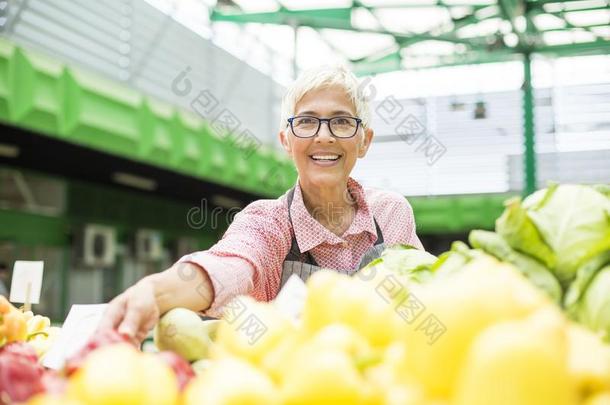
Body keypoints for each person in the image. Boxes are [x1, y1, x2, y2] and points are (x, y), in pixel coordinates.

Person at [100, 65, 423, 344]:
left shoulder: (391, 214)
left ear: (364, 140)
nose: (324, 136)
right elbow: (231, 265)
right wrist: (155, 292)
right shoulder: (267, 222)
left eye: (341, 122)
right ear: (286, 140)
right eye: (307, 122)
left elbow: (423, 298)